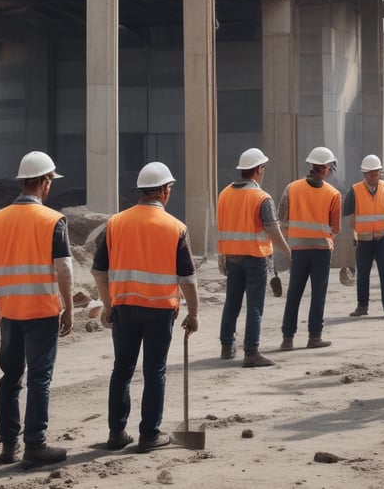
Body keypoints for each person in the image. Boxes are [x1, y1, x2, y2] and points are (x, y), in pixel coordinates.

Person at [0, 150, 73, 469]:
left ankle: (8, 445)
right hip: (42, 311)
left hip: (10, 311)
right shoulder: (53, 220)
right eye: (51, 181)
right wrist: (68, 307)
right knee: (39, 378)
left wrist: (4, 285)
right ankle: (35, 445)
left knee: (11, 376)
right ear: (45, 181)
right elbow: (64, 268)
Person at [91, 162, 200, 453]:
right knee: (155, 372)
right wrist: (194, 313)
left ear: (141, 191)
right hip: (159, 311)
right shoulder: (175, 227)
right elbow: (187, 279)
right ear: (165, 190)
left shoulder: (116, 223)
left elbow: (99, 270)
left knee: (122, 370)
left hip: (124, 308)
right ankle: (150, 435)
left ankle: (117, 433)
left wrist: (107, 304)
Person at [217, 148, 291, 368]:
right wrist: (288, 252)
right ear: (259, 169)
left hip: (232, 256)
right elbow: (273, 230)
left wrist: (221, 254)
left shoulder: (224, 194)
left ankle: (227, 345)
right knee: (255, 306)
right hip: (255, 257)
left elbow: (222, 227)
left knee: (232, 302)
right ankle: (251, 351)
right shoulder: (262, 198)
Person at [277, 147, 341, 350]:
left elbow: (281, 218)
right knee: (318, 295)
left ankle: (287, 338)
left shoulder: (292, 188)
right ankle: (314, 337)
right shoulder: (333, 194)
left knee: (294, 293)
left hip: (298, 250)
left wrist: (291, 239)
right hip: (321, 250)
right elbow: (335, 228)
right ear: (325, 168)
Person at [343, 155, 384, 319]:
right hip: (363, 239)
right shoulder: (355, 190)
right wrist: (351, 234)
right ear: (364, 174)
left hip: (383, 237)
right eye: (369, 174)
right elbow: (347, 214)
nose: (372, 176)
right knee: (363, 274)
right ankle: (362, 306)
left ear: (380, 173)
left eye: (375, 173)